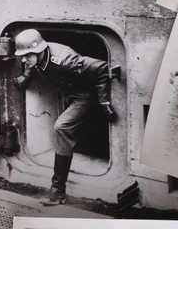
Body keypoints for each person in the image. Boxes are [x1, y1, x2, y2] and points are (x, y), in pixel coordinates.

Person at [13, 29, 115, 206]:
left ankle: (58, 190)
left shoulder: (65, 61)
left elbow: (101, 68)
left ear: (39, 51)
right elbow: (35, 65)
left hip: (83, 95)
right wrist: (27, 75)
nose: (23, 60)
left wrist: (104, 101)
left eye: (27, 55)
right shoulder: (39, 57)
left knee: (61, 127)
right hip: (67, 92)